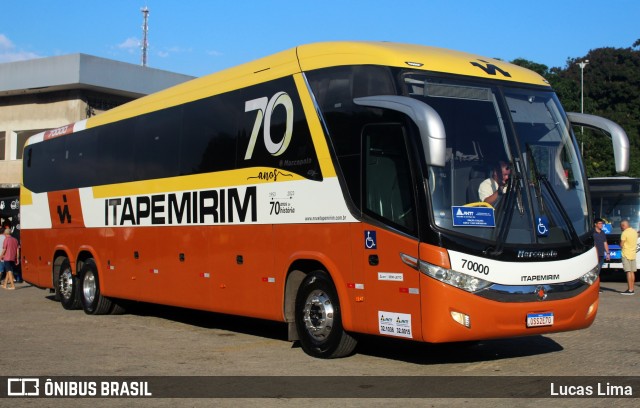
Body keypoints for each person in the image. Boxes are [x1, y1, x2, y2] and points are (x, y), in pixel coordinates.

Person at [619, 220, 637, 295]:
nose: (621, 228)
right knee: (632, 272)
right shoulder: (634, 231)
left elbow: (621, 244)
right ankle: (632, 288)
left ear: (623, 226)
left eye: (621, 226)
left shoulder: (624, 233)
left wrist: (620, 244)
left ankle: (630, 290)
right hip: (633, 254)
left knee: (628, 271)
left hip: (626, 254)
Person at [593, 218, 610, 293]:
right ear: (595, 224)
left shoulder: (602, 233)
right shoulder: (592, 233)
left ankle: (597, 287)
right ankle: (594, 288)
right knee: (595, 271)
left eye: (602, 223)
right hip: (594, 255)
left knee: (598, 271)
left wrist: (608, 253)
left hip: (601, 254)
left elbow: (605, 243)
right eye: (599, 223)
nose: (601, 225)